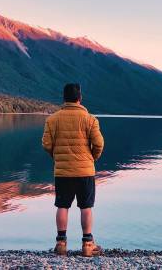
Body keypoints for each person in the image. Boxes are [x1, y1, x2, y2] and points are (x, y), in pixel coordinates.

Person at [42, 83, 104, 257]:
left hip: (63, 172)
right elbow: (99, 144)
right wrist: (92, 158)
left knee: (62, 206)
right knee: (86, 207)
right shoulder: (91, 119)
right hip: (85, 171)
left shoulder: (52, 119)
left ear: (64, 98)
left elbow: (46, 144)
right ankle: (87, 245)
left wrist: (57, 157)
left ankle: (61, 244)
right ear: (80, 98)